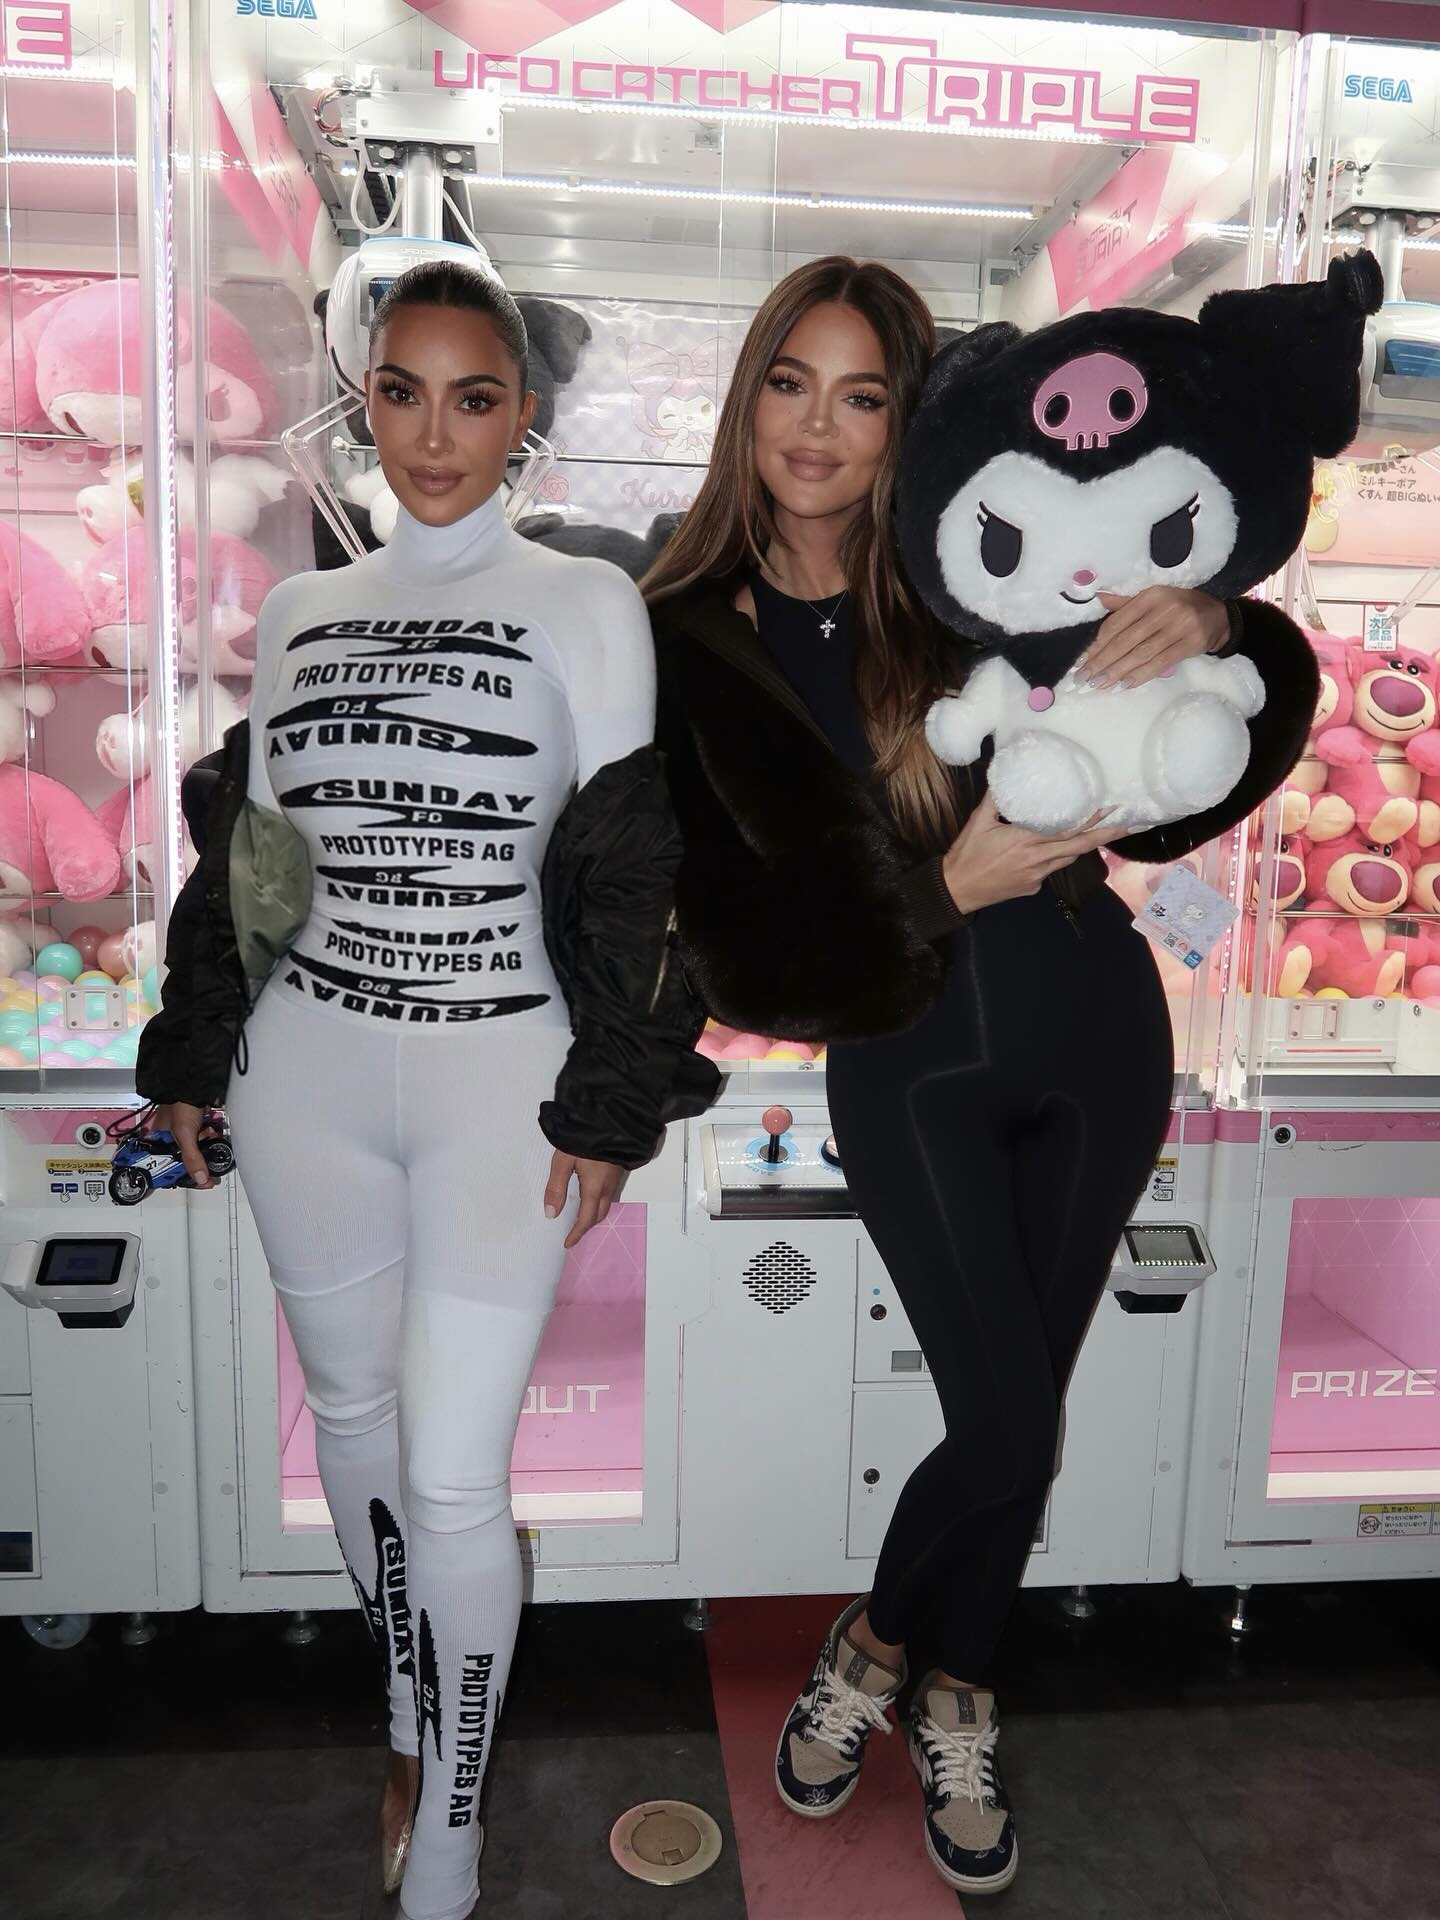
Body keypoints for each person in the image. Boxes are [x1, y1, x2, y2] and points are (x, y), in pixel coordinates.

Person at [643, 256, 1311, 1895]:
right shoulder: (676, 637)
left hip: (1101, 1029)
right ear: (748, 399)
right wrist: (948, 888)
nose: (820, 425)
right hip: (909, 1058)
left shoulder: (977, 564)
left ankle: (951, 1684)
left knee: (1023, 1417)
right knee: (1007, 1421)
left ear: (909, 423)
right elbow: (745, 956)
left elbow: (1234, 729)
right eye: (792, 381)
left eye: (865, 394)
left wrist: (1216, 619)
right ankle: (874, 1653)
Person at [135, 260, 714, 1920]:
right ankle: (407, 1714)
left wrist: (614, 1099)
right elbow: (253, 862)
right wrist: (193, 1046)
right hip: (303, 1076)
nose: (435, 434)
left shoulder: (587, 604)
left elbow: (633, 874)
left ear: (526, 414)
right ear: (363, 401)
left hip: (498, 1088)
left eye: (475, 397)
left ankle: (448, 1835)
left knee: (458, 1476)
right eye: (403, 392)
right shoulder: (296, 613)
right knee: (357, 1440)